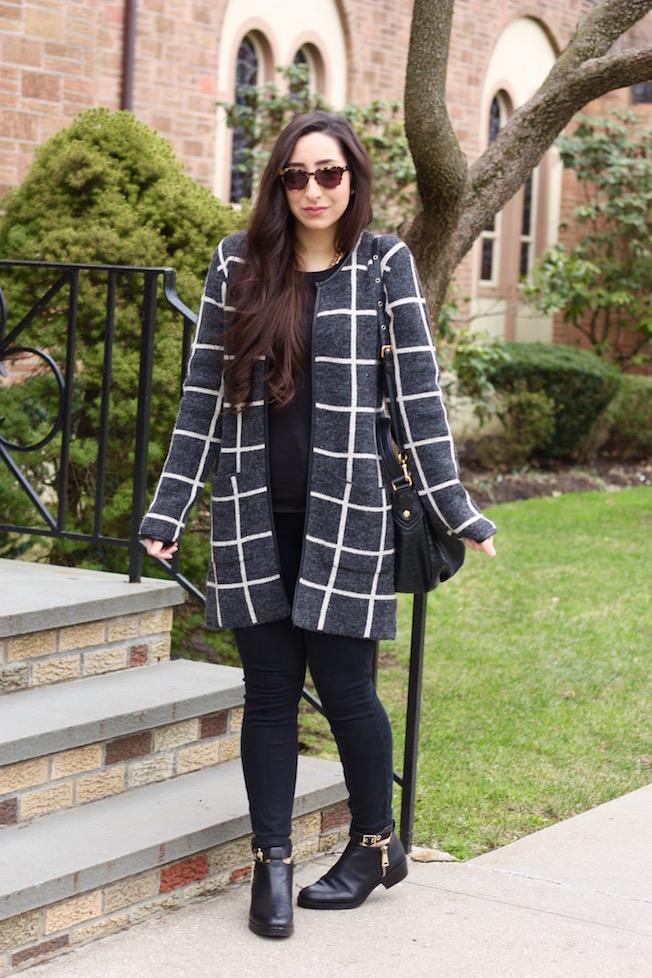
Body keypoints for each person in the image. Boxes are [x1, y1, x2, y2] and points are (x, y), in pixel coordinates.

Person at [140, 111, 496, 939]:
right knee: (267, 695)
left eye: (328, 173)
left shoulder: (383, 263)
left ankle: (374, 846)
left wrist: (457, 509)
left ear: (352, 179)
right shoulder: (237, 263)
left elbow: (417, 399)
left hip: (348, 517)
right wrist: (169, 506)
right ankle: (272, 863)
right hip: (252, 515)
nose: (312, 190)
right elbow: (202, 398)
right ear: (278, 183)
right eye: (295, 175)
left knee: (347, 692)